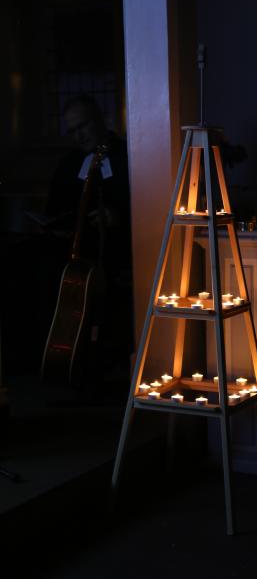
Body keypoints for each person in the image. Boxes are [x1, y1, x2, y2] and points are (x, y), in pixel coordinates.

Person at [41, 93, 134, 386]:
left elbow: (142, 200)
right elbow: (55, 208)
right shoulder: (70, 163)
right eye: (72, 131)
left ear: (99, 121)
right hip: (77, 259)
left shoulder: (127, 156)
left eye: (83, 127)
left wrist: (116, 216)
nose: (78, 135)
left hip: (119, 255)